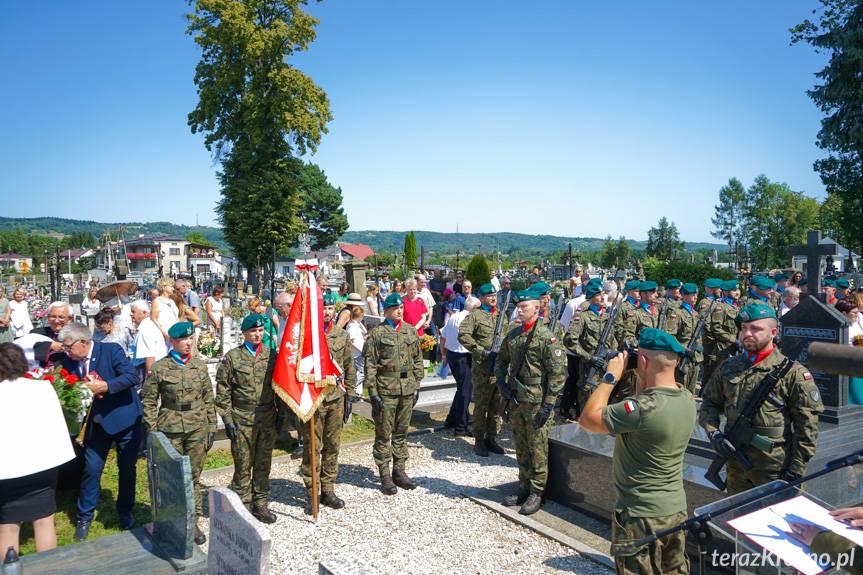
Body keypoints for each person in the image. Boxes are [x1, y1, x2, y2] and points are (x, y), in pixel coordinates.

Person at [579, 329, 695, 575]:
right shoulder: (686, 398)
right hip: (675, 510)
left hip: (640, 516)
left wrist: (611, 376)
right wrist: (643, 371)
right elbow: (652, 395)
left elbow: (588, 419)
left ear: (642, 361)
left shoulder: (640, 410)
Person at [699, 303, 823, 494]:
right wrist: (714, 434)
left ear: (773, 332)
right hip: (735, 464)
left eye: (756, 329)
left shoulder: (793, 373)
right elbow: (709, 404)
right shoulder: (729, 367)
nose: (747, 333)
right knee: (735, 517)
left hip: (774, 468)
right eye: (744, 328)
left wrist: (795, 471)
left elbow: (807, 428)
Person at [56, 323, 141, 541]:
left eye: (68, 347)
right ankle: (84, 517)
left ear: (83, 342)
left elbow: (131, 377)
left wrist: (105, 386)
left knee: (126, 468)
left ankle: (125, 511)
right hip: (97, 424)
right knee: (91, 470)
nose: (66, 352)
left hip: (125, 420)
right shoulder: (68, 362)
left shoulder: (110, 351)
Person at [142, 322, 216, 545]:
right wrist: (153, 430)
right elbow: (148, 400)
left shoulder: (199, 366)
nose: (188, 343)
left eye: (191, 339)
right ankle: (167, 521)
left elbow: (207, 397)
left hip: (197, 427)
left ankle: (191, 523)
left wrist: (211, 426)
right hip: (170, 428)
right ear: (173, 342)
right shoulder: (160, 368)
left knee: (192, 476)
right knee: (170, 477)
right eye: (184, 340)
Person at [494, 290, 567, 515]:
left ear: (537, 308)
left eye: (525, 306)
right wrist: (501, 383)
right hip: (516, 399)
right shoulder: (513, 335)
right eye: (519, 306)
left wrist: (549, 404)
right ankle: (524, 485)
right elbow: (500, 360)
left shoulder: (547, 337)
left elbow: (558, 374)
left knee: (538, 447)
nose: (520, 310)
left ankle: (537, 491)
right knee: (521, 445)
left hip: (537, 402)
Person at [0, 343, 76, 554]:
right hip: (43, 464)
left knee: (7, 527)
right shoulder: (43, 388)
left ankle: (10, 568)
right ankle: (47, 568)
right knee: (44, 521)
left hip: (7, 470)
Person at [215, 314, 278, 523]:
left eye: (260, 331)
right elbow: (223, 390)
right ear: (244, 333)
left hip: (267, 416)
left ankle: (260, 503)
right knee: (243, 463)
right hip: (242, 417)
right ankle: (243, 503)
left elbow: (279, 386)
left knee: (263, 462)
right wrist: (227, 420)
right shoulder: (233, 357)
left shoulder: (271, 355)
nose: (257, 334)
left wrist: (283, 416)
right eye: (253, 331)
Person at [299, 294, 357, 513]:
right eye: (324, 308)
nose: (327, 312)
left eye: (331, 308)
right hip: (313, 399)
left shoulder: (340, 335)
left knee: (332, 445)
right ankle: (311, 491)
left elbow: (349, 366)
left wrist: (350, 394)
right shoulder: (306, 337)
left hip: (335, 399)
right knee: (312, 447)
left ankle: (328, 488)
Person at [363, 293, 424, 495]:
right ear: (386, 311)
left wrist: (416, 386)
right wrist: (373, 392)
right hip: (386, 390)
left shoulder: (410, 331)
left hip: (406, 389)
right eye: (395, 308)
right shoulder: (377, 334)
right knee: (383, 434)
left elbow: (417, 359)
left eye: (401, 307)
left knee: (401, 432)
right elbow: (370, 365)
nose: (400, 310)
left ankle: (399, 471)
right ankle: (385, 475)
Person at [458, 284, 506, 456]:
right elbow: (463, 335)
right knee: (481, 406)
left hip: (499, 369)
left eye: (495, 295)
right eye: (490, 295)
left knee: (496, 407)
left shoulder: (501, 315)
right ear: (482, 298)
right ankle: (479, 440)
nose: (493, 298)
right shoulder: (476, 316)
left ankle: (491, 438)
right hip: (483, 369)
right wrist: (481, 351)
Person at [564, 281, 618, 415]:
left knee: (605, 403)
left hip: (606, 366)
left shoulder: (606, 314)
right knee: (588, 404)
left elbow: (612, 339)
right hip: (589, 367)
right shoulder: (582, 315)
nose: (602, 297)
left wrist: (614, 356)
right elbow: (569, 340)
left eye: (603, 294)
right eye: (599, 295)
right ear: (591, 297)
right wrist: (590, 358)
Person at [441, 296, 479, 436]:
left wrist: (444, 355)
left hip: (453, 355)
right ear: (474, 309)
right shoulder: (468, 319)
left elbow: (442, 336)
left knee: (460, 390)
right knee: (465, 393)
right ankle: (460, 426)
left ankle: (451, 419)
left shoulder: (454, 316)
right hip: (463, 356)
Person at [702, 279, 741, 386]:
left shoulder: (736, 306)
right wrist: (733, 340)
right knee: (719, 377)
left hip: (734, 347)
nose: (737, 292)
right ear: (726, 292)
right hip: (723, 348)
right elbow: (716, 328)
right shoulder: (720, 307)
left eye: (738, 289)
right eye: (734, 290)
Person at [665, 283, 701, 394]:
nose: (695, 297)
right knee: (680, 390)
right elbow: (670, 336)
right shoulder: (677, 313)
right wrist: (684, 350)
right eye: (692, 295)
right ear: (684, 296)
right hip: (682, 358)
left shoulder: (695, 314)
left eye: (696, 294)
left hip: (695, 358)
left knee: (691, 391)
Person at [128, 300, 167, 386]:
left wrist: (149, 382)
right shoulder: (148, 325)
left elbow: (150, 356)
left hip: (145, 370)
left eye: (133, 311)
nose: (130, 314)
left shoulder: (145, 329)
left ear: (144, 313)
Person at [31, 301, 73, 366]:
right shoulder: (36, 333)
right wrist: (49, 346)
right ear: (48, 318)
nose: (56, 321)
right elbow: (21, 347)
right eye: (53, 316)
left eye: (61, 317)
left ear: (70, 319)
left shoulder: (78, 334)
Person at [345, 305, 367, 396]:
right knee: (362, 372)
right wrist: (362, 350)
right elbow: (352, 341)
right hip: (357, 353)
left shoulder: (355, 325)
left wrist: (359, 322)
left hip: (359, 353)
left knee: (360, 372)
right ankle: (352, 388)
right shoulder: (352, 327)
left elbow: (365, 331)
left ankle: (357, 392)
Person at [150, 278, 179, 343]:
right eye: (171, 286)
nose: (173, 289)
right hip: (164, 337)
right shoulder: (157, 301)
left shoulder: (172, 301)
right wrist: (166, 335)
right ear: (164, 287)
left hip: (174, 335)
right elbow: (154, 319)